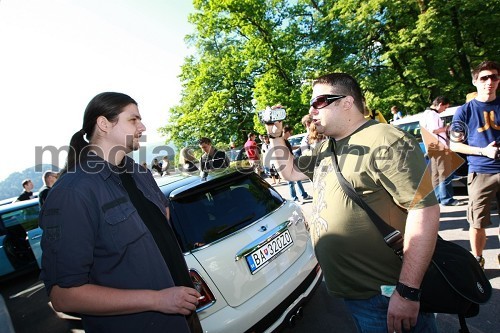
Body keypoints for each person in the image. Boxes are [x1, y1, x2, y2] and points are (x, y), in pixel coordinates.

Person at [266, 73, 440, 333]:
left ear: (346, 102)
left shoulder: (386, 140)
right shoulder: (327, 147)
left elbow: (424, 211)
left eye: (318, 102)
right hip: (354, 294)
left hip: (385, 295)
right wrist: (275, 135)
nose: (311, 111)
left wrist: (407, 292)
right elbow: (288, 172)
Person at [39, 92, 202, 333]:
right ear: (104, 124)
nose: (143, 127)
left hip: (183, 318)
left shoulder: (140, 173)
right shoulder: (73, 192)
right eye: (133, 119)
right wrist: (158, 299)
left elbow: (158, 233)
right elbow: (64, 296)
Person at [450, 60, 500, 270]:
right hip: (480, 171)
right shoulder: (465, 110)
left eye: (494, 77)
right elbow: (455, 145)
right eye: (484, 78)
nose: (489, 82)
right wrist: (483, 151)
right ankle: (478, 260)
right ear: (475, 81)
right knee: (477, 222)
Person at [420, 96, 464, 206]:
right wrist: (447, 128)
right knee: (445, 174)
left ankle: (438, 197)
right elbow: (434, 129)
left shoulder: (425, 114)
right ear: (440, 104)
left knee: (436, 174)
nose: (445, 110)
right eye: (445, 107)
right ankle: (447, 199)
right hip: (439, 147)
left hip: (432, 147)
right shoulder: (433, 115)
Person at [282, 125, 312, 203]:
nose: (291, 135)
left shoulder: (285, 140)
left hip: (291, 162)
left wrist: (300, 146)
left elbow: (290, 148)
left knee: (298, 179)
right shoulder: (281, 141)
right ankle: (294, 198)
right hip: (286, 164)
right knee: (291, 182)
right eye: (290, 133)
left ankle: (304, 195)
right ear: (287, 132)